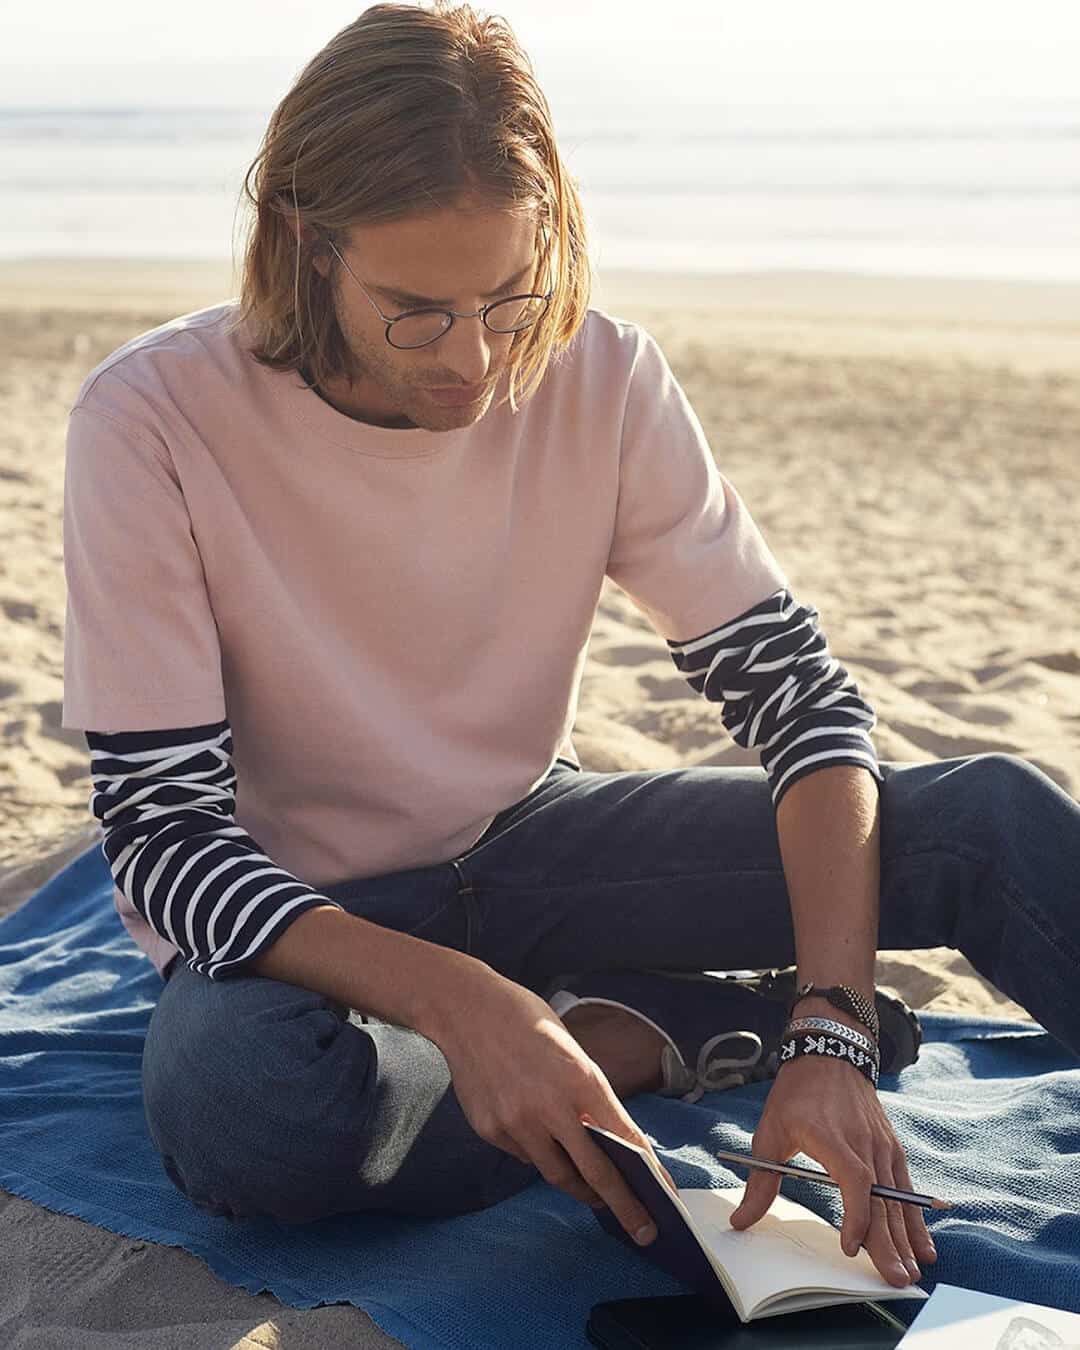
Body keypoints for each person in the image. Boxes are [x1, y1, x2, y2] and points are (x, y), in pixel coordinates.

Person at [60, 0, 1079, 1296]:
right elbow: (164, 841)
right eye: (417, 310)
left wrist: (832, 1024)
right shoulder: (152, 420)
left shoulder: (599, 376)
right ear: (308, 246)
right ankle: (642, 1032)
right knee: (234, 1101)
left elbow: (799, 698)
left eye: (510, 291)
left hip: (533, 841)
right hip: (313, 921)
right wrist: (471, 1006)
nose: (476, 358)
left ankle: (701, 1021)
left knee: (991, 820)